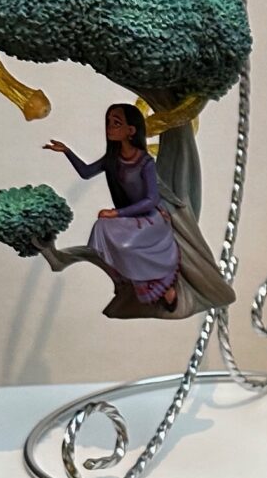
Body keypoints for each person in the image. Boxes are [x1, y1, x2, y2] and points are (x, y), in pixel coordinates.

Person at [40, 102, 233, 319]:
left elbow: (151, 200)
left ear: (131, 130)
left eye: (116, 123)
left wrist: (116, 214)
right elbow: (86, 172)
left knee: (125, 242)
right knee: (102, 228)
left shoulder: (145, 162)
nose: (109, 127)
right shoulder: (112, 160)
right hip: (129, 219)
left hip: (151, 218)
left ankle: (163, 285)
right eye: (108, 122)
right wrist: (67, 151)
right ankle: (123, 277)